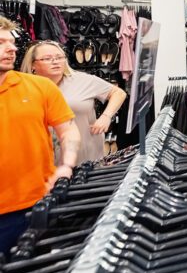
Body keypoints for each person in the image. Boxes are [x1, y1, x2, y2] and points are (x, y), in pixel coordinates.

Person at [0, 17, 81, 256]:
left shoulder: (40, 87)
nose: (12, 48)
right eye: (1, 42)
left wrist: (66, 165)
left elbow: (68, 130)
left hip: (33, 207)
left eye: (11, 42)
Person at [21, 40, 127, 164]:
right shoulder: (24, 87)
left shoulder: (82, 81)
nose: (55, 61)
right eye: (47, 58)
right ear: (33, 64)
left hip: (85, 155)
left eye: (59, 57)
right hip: (43, 159)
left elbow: (118, 93)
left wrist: (106, 116)